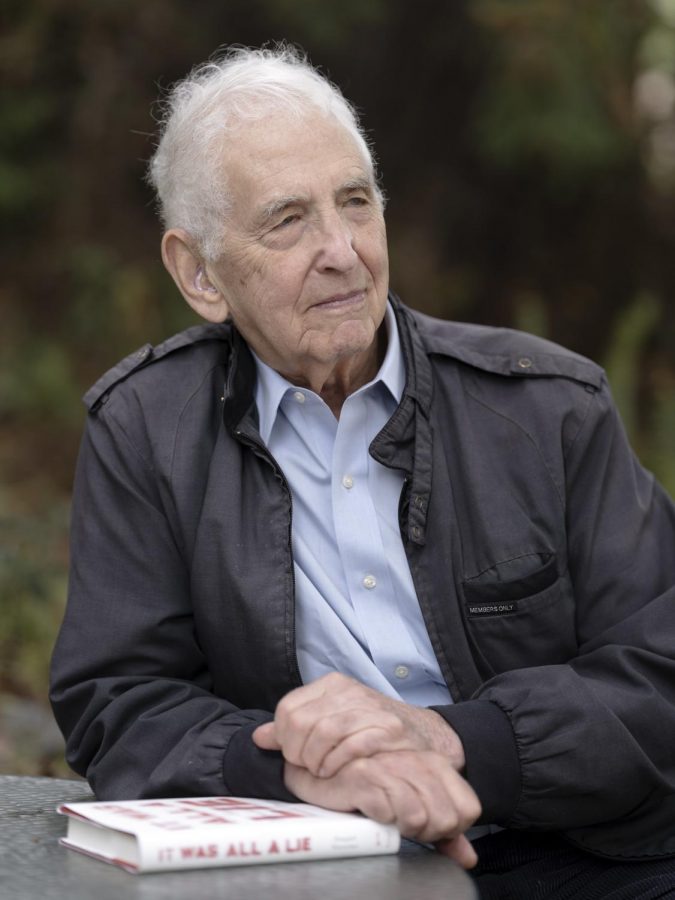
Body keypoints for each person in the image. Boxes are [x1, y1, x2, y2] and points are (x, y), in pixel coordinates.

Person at [50, 45, 675, 897]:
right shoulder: (145, 430)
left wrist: (448, 740)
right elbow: (119, 702)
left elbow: (656, 669)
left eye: (355, 203)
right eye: (287, 220)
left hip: (590, 857)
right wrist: (298, 770)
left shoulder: (547, 407)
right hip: (317, 860)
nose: (342, 250)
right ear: (199, 273)